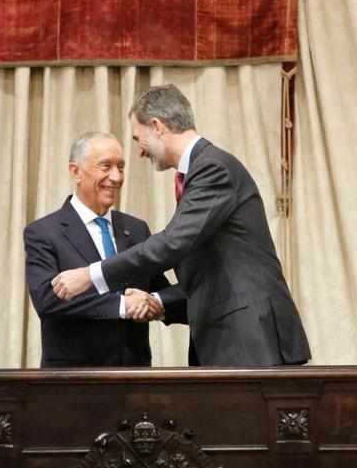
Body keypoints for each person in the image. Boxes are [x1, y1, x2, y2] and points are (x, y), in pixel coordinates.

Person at [49, 84, 311, 366]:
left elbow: (173, 243)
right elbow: (209, 271)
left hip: (250, 338)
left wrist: (91, 274)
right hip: (232, 338)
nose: (140, 151)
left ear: (157, 127)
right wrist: (158, 301)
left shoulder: (212, 168)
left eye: (139, 138)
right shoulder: (199, 171)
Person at [24, 132, 185, 368]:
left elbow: (157, 290)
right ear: (75, 171)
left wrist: (154, 303)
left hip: (135, 376)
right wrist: (122, 306)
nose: (117, 177)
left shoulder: (136, 229)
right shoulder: (44, 232)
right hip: (74, 381)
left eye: (121, 167)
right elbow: (49, 300)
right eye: (106, 166)